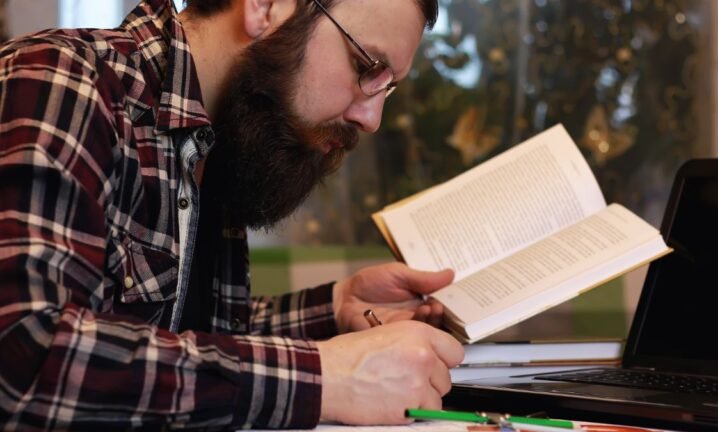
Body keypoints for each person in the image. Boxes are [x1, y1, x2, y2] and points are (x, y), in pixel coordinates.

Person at [0, 0, 464, 430]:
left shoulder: (221, 136)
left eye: (388, 86)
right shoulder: (60, 79)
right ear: (264, 6)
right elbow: (26, 354)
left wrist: (335, 309)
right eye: (368, 67)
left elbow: (177, 341)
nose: (372, 119)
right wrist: (328, 378)